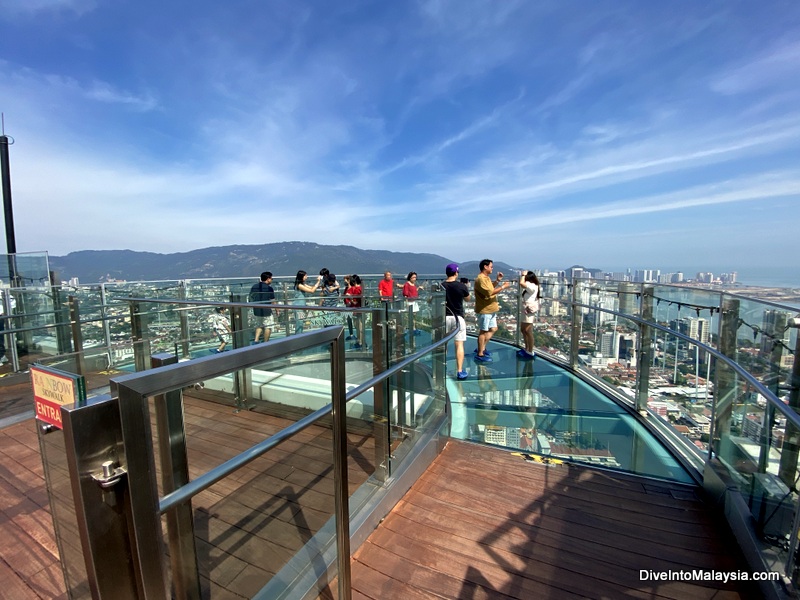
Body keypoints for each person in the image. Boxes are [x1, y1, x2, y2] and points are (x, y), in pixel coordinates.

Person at [473, 258, 511, 362]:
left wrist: (497, 280)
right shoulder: (480, 279)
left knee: (493, 329)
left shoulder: (486, 278)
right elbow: (490, 293)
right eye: (491, 266)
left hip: (491, 309)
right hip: (485, 309)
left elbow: (489, 288)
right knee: (483, 331)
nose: (492, 268)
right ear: (485, 267)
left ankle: (482, 348)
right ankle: (480, 354)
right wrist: (503, 286)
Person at [442, 263, 470, 380]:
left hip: (444, 317)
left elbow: (431, 299)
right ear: (456, 273)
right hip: (458, 317)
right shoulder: (461, 286)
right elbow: (468, 299)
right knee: (459, 344)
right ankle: (459, 371)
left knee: (443, 344)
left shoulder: (441, 286)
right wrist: (466, 287)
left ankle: (442, 368)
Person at [518, 270, 540, 359]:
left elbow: (521, 283)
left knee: (528, 330)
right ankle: (527, 348)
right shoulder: (531, 286)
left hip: (529, 310)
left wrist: (523, 275)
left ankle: (530, 351)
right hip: (525, 310)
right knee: (523, 330)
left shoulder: (532, 286)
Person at [292, 270, 322, 335]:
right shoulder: (299, 285)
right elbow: (312, 291)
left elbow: (311, 288)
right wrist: (318, 281)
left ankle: (299, 337)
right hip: (298, 306)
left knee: (300, 322)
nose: (306, 277)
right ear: (302, 276)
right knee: (299, 323)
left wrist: (318, 285)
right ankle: (297, 338)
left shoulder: (302, 284)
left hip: (300, 306)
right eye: (305, 275)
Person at [249, 271, 276, 342]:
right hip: (266, 310)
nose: (272, 280)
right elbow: (273, 300)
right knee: (268, 326)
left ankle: (256, 340)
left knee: (259, 324)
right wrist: (277, 309)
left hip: (257, 309)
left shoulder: (254, 287)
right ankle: (266, 342)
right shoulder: (269, 288)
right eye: (271, 279)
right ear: (268, 279)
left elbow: (251, 297)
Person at [344, 274, 365, 349]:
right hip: (357, 310)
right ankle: (360, 342)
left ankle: (361, 342)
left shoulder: (357, 289)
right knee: (358, 327)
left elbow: (355, 302)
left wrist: (350, 297)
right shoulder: (360, 288)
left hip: (357, 309)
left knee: (359, 327)